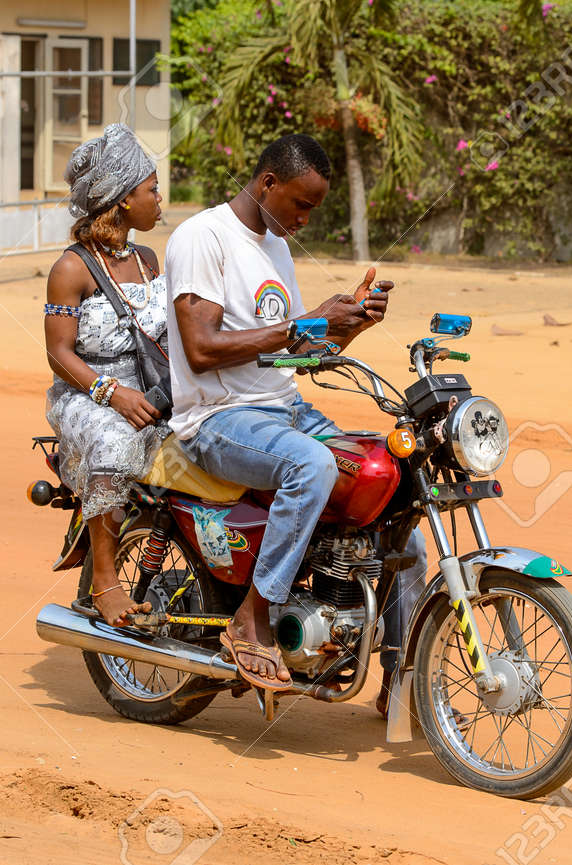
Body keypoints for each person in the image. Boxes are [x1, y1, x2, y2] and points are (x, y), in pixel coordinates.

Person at [165, 133, 426, 711]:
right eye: (300, 205)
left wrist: (349, 325)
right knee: (310, 464)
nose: (305, 220)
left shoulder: (274, 245)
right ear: (267, 184)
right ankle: (252, 616)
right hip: (217, 417)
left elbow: (294, 354)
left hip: (284, 409)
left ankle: (401, 675)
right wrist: (306, 322)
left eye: (313, 209)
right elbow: (202, 347)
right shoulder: (202, 238)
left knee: (392, 484)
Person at [44, 124, 167, 627]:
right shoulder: (71, 269)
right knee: (114, 444)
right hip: (87, 394)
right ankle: (104, 580)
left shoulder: (148, 260)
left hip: (149, 387)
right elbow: (58, 353)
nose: (160, 199)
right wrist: (112, 394)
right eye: (151, 190)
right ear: (121, 202)